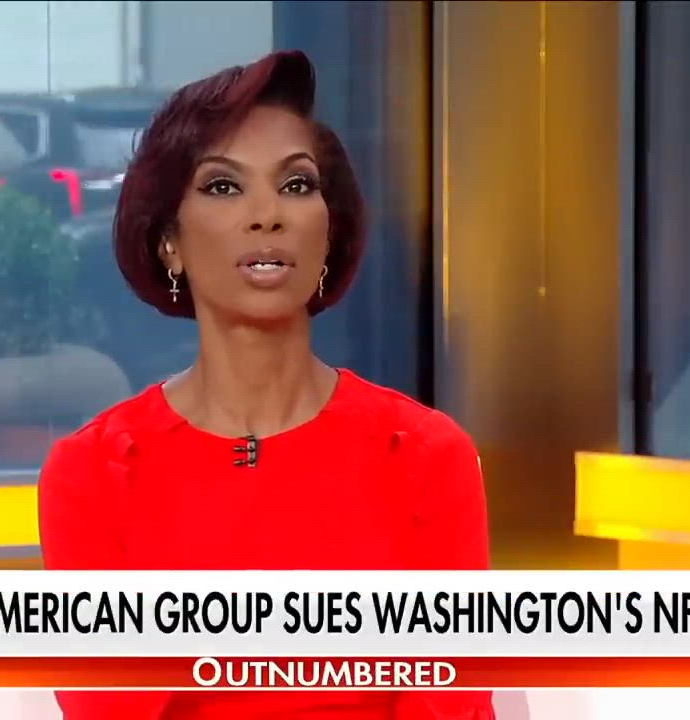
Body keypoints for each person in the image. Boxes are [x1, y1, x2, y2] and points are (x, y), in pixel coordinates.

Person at [38, 50, 494, 720]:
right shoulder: (94, 473)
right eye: (224, 186)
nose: (267, 214)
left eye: (297, 185)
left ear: (329, 234)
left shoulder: (424, 455)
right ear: (169, 241)